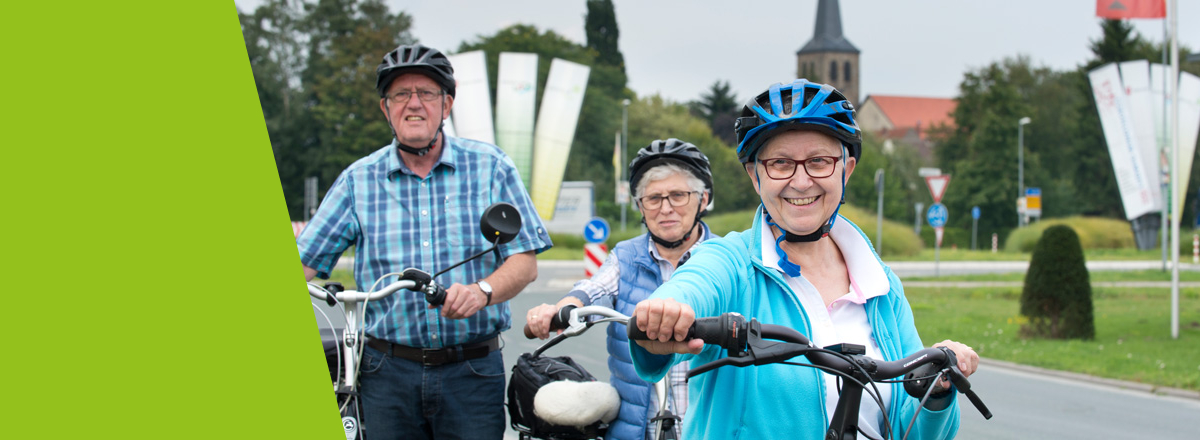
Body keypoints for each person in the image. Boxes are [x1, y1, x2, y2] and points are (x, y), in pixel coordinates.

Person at [628, 80, 979, 439]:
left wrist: (934, 389)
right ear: (755, 175)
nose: (800, 181)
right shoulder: (730, 262)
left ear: (847, 169)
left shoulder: (880, 286)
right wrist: (663, 313)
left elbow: (912, 430)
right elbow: (690, 289)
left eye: (819, 162)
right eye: (780, 163)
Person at [296, 43, 551, 439]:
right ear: (386, 108)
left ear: (446, 105)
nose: (413, 104)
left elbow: (524, 262)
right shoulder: (358, 180)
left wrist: (482, 291)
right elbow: (303, 263)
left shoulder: (491, 167)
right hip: (386, 372)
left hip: (472, 369)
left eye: (427, 94)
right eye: (401, 94)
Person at [525, 139, 715, 440]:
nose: (666, 208)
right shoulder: (625, 258)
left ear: (703, 200)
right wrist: (562, 308)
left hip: (709, 429)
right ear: (640, 206)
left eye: (678, 195)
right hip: (637, 428)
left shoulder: (725, 258)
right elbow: (593, 288)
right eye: (653, 198)